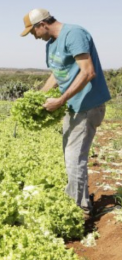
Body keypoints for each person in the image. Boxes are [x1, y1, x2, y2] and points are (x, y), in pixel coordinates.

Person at [20, 8, 111, 218]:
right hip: (73, 106)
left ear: (42, 24)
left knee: (74, 157)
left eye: (33, 32)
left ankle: (80, 210)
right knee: (69, 155)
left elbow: (88, 72)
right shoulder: (52, 44)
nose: (33, 37)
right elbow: (57, 73)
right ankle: (79, 200)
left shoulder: (74, 34)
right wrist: (39, 96)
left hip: (87, 105)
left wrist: (61, 99)